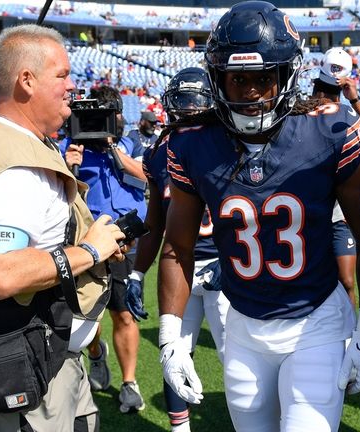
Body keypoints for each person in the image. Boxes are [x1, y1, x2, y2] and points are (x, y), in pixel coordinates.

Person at [158, 2, 360, 431]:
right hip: (242, 324)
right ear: (216, 78)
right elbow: (177, 247)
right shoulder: (192, 143)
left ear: (286, 76)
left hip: (315, 320)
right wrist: (171, 338)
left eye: (263, 78)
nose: (249, 92)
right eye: (238, 78)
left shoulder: (329, 129)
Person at [0, 24, 125, 431]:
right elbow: (1, 272)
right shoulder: (11, 170)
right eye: (62, 75)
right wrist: (90, 251)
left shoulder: (19, 142)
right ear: (26, 81)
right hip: (32, 364)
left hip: (52, 354)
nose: (73, 86)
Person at [125, 67, 230, 432]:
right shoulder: (158, 154)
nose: (187, 115)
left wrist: (232, 261)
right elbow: (155, 220)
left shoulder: (228, 143)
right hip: (178, 268)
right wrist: (137, 271)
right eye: (181, 107)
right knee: (173, 356)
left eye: (194, 107)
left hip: (224, 266)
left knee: (238, 361)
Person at [62, 85, 148, 413]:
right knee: (89, 313)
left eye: (105, 116)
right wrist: (69, 166)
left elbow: (149, 176)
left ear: (116, 117)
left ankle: (129, 383)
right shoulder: (70, 147)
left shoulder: (131, 143)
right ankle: (97, 354)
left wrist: (115, 151)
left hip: (127, 238)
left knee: (123, 312)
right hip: (88, 242)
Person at [312, 47, 360, 307]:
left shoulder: (349, 116)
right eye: (325, 90)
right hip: (313, 215)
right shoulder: (303, 116)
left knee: (347, 280)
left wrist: (355, 100)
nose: (328, 98)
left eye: (334, 92)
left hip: (340, 216)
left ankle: (351, 334)